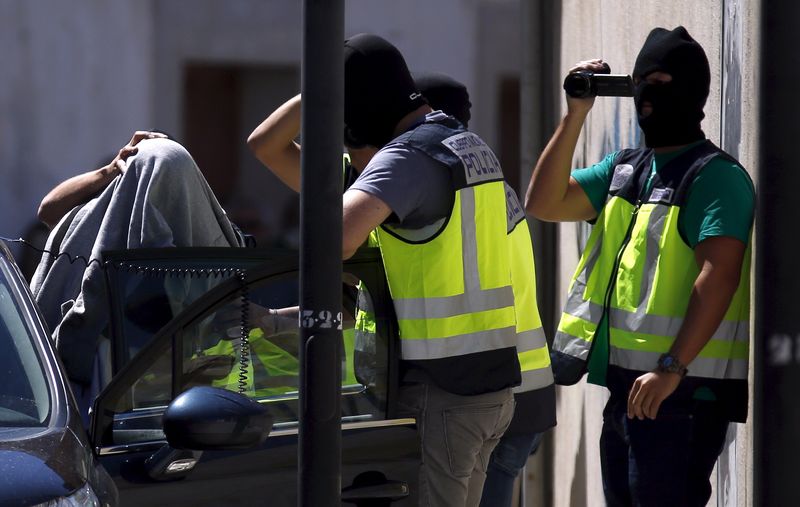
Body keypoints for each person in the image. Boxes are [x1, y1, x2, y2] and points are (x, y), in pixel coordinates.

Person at [249, 67, 555, 507]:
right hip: (500, 387)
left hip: (460, 387)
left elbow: (336, 240)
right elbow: (266, 147)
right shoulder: (466, 177)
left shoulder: (414, 174)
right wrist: (330, 84)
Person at [525, 26, 754, 506]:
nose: (648, 93)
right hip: (628, 394)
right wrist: (575, 116)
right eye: (642, 80)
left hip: (681, 396)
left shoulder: (717, 178)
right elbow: (543, 202)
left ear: (693, 92)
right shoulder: (625, 169)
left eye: (663, 80)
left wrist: (673, 367)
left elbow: (720, 278)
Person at [31, 132, 244, 416]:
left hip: (186, 416)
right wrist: (110, 170)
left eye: (167, 181)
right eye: (147, 175)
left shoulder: (211, 247)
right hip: (86, 405)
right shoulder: (105, 227)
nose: (153, 198)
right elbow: (49, 210)